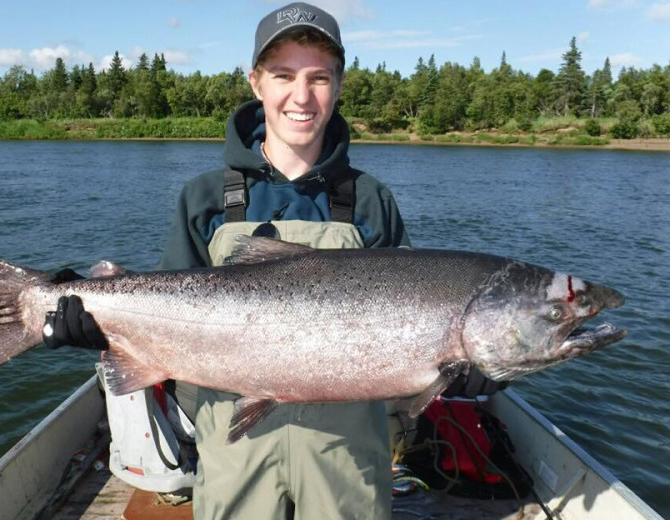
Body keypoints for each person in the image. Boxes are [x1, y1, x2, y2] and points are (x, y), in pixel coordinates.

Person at [44, 2, 505, 518]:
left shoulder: (371, 199)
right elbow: (158, 312)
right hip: (233, 440)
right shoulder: (206, 198)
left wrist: (462, 363)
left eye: (319, 78)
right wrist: (98, 325)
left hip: (346, 449)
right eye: (284, 75)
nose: (301, 96)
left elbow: (413, 322)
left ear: (340, 84)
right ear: (256, 82)